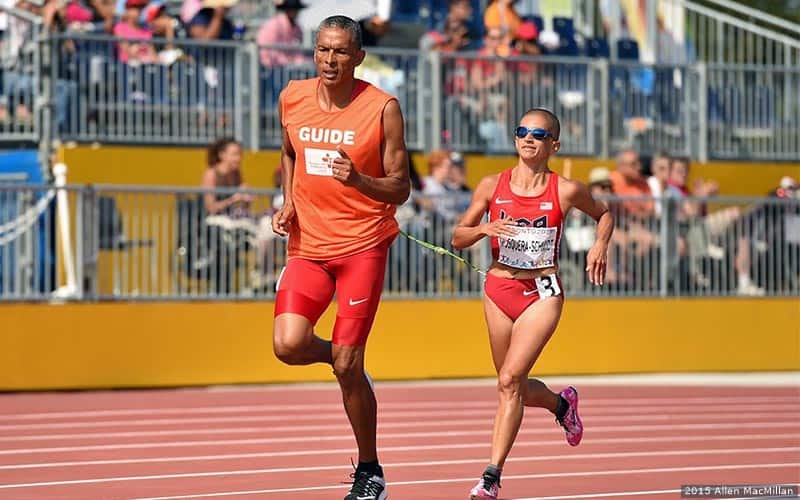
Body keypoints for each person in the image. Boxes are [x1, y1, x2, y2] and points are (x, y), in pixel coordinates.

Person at [270, 15, 410, 500]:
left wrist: (359, 181)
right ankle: (347, 360)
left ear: (358, 57)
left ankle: (370, 471)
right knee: (288, 345)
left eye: (341, 53)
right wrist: (287, 200)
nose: (331, 61)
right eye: (323, 51)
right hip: (308, 245)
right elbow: (289, 152)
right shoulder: (292, 96)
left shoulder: (381, 108)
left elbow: (401, 186)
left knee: (348, 368)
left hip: (362, 245)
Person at [451, 108, 614, 500]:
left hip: (541, 293)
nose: (528, 138)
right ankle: (562, 406)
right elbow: (458, 236)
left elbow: (604, 213)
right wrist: (483, 229)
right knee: (513, 385)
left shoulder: (566, 190)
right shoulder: (492, 185)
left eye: (538, 134)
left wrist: (600, 244)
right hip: (498, 289)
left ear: (553, 145)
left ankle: (491, 476)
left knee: (509, 381)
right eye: (522, 131)